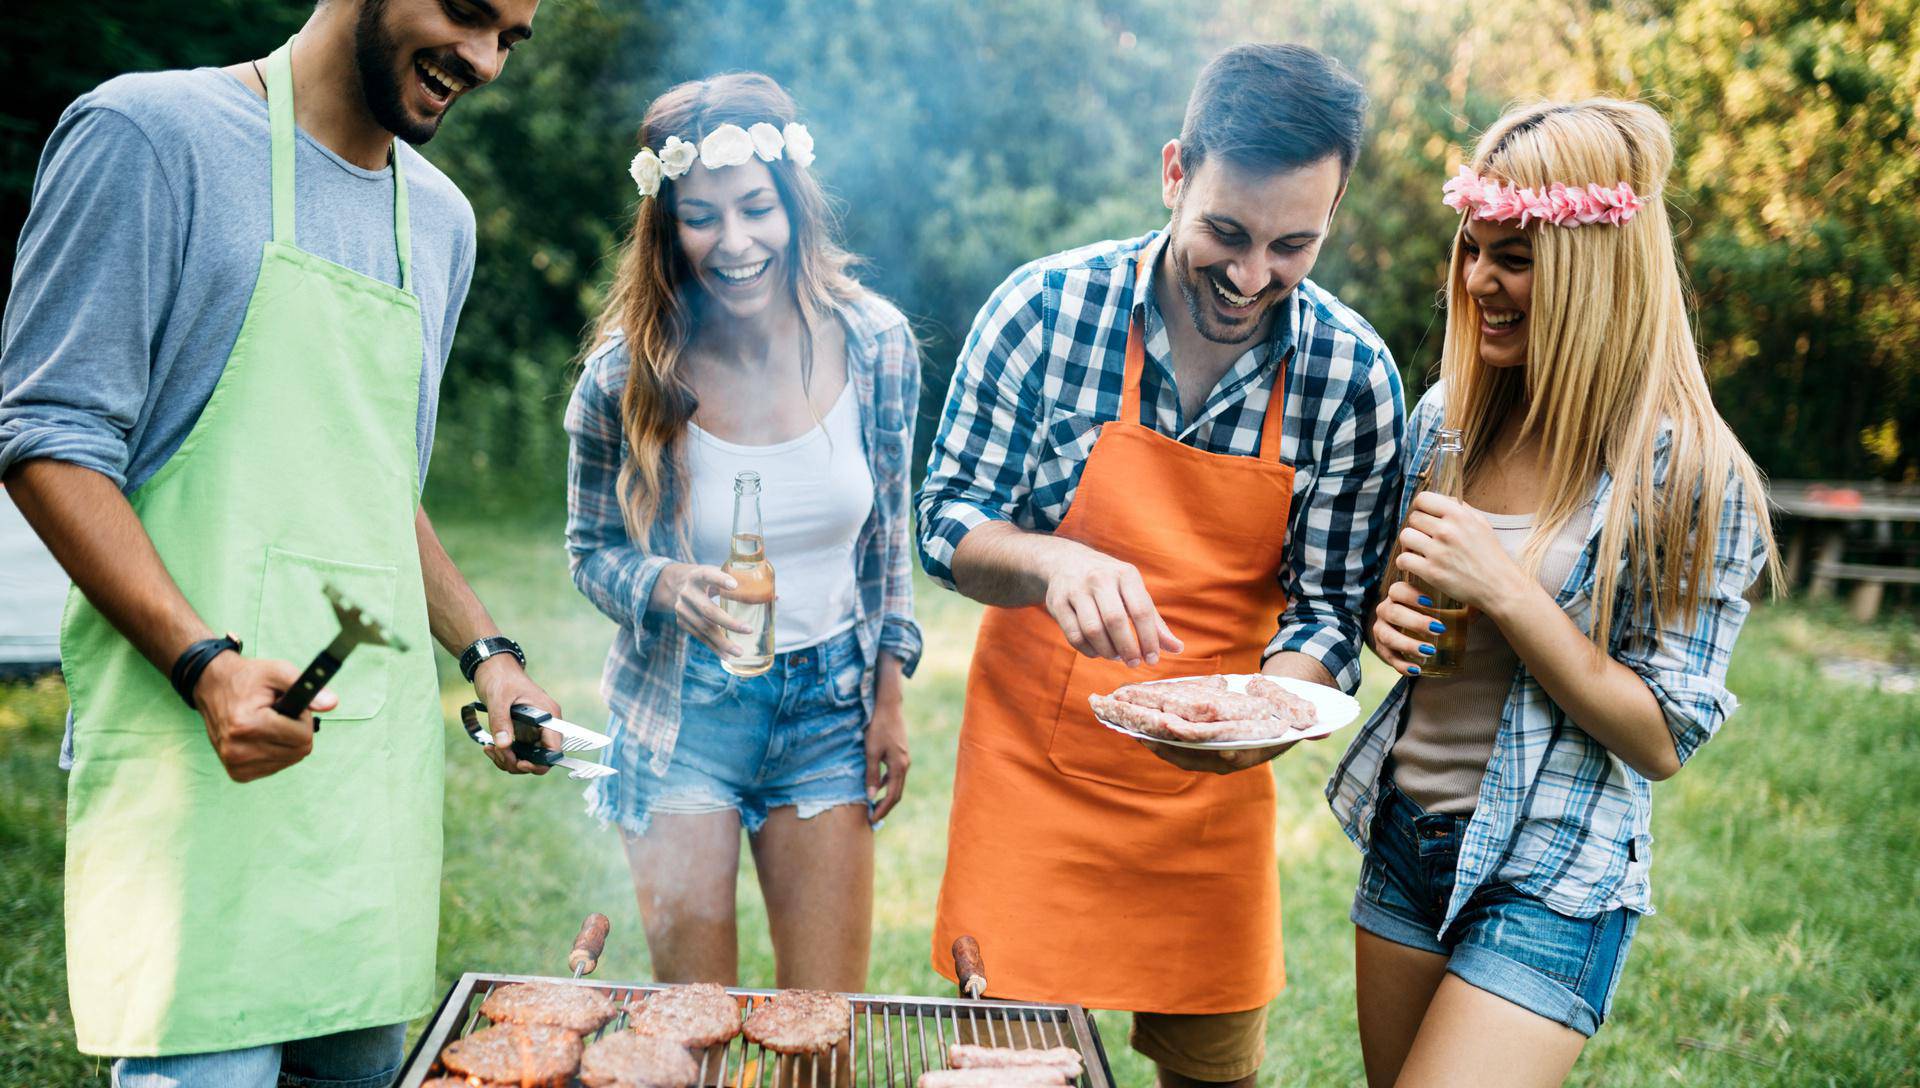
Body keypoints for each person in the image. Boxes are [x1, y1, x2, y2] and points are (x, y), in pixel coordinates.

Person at [0, 1, 555, 1083]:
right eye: (466, 13)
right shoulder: (151, 139)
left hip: (366, 794)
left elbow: (374, 484)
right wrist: (204, 665)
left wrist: (490, 653)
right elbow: (47, 437)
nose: (485, 62)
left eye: (513, 38)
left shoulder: (442, 221)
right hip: (196, 779)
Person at [918, 44, 1404, 1088]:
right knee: (1004, 1073)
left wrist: (1271, 710)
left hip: (1212, 804)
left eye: (1292, 245)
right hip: (1030, 782)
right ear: (1175, 172)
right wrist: (1048, 561)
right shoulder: (1043, 311)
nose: (1249, 276)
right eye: (1227, 232)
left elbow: (1328, 607)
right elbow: (948, 517)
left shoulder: (1353, 377)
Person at [1328, 99, 1778, 1086]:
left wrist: (1512, 594)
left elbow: (1661, 734)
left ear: (1592, 271)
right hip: (1408, 840)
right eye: (1473, 249)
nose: (1480, 281)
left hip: (1557, 871)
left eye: (1516, 258)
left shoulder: (1687, 472)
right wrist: (1384, 616)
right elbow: (1414, 617)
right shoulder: (1450, 417)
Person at [565, 72, 922, 994]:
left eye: (756, 208)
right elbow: (591, 550)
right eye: (702, 216)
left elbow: (887, 542)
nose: (734, 242)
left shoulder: (876, 343)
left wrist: (888, 695)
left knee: (822, 1031)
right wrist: (662, 585)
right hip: (681, 717)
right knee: (697, 1036)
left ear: (793, 206)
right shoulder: (623, 378)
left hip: (827, 714)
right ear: (665, 226)